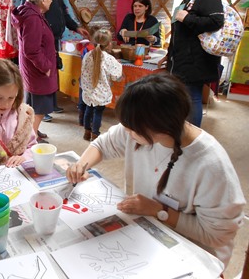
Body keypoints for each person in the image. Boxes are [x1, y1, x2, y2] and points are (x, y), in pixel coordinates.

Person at [66, 73, 245, 268]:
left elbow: (216, 236)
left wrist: (159, 211)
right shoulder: (140, 131)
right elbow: (102, 145)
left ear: (161, 128)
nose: (126, 133)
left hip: (194, 256)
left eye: (131, 130)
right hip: (147, 233)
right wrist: (81, 165)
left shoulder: (210, 164)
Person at [22, 0, 90, 124]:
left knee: (51, 74)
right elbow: (26, 12)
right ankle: (41, 113)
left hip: (52, 39)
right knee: (42, 76)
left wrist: (76, 27)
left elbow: (63, 15)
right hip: (41, 40)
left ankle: (48, 106)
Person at [158, 0, 224, 127]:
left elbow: (217, 22)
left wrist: (187, 18)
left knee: (192, 96)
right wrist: (170, 54)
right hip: (183, 58)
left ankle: (192, 138)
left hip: (196, 61)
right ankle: (184, 132)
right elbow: (180, 33)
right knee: (184, 97)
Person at [11, 0, 58, 144]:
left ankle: (33, 132)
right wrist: (45, 67)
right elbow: (31, 49)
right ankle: (31, 138)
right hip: (38, 70)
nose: (51, 0)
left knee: (33, 105)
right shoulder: (33, 18)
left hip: (32, 69)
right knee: (40, 107)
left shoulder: (31, 13)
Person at [81, 28, 122, 141]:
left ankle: (87, 132)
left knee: (88, 110)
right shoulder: (109, 59)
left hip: (89, 91)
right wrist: (117, 64)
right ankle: (95, 135)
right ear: (109, 44)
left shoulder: (88, 55)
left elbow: (83, 71)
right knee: (98, 113)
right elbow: (116, 76)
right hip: (101, 92)